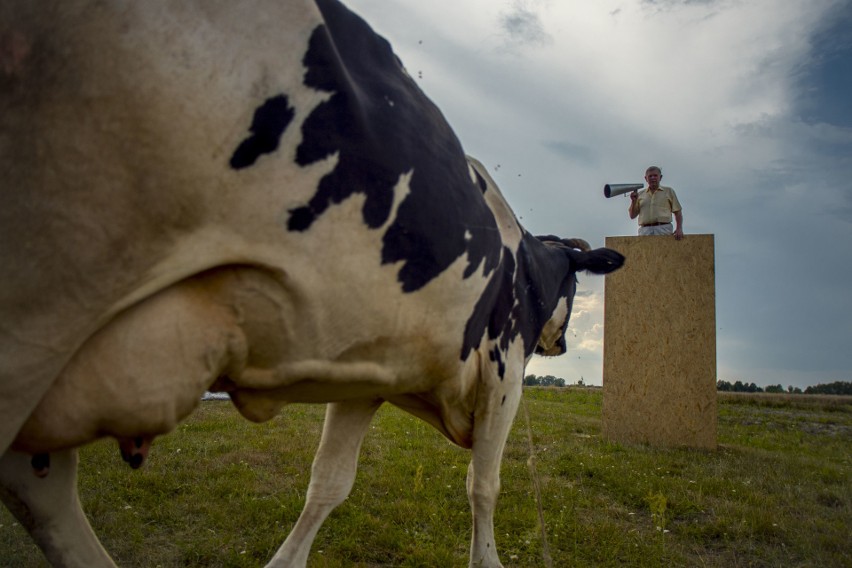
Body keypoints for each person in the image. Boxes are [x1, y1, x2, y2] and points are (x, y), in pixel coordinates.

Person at [629, 166, 683, 240]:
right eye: (650, 176)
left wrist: (679, 229)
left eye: (655, 175)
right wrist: (633, 201)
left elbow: (678, 212)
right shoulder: (640, 194)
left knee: (664, 250)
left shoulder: (668, 191)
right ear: (646, 178)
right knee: (645, 251)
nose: (652, 178)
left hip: (663, 228)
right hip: (645, 229)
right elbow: (632, 215)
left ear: (660, 177)